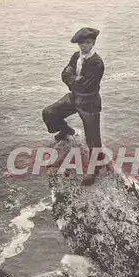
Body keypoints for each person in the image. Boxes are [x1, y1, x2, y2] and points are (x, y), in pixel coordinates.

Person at [42, 27, 105, 186]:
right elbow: (65, 73)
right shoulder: (76, 56)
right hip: (75, 97)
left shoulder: (97, 63)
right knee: (49, 113)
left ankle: (94, 169)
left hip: (89, 102)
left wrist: (73, 80)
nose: (84, 46)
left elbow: (84, 85)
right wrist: (74, 80)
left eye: (87, 43)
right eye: (81, 43)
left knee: (93, 139)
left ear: (93, 43)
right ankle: (66, 130)